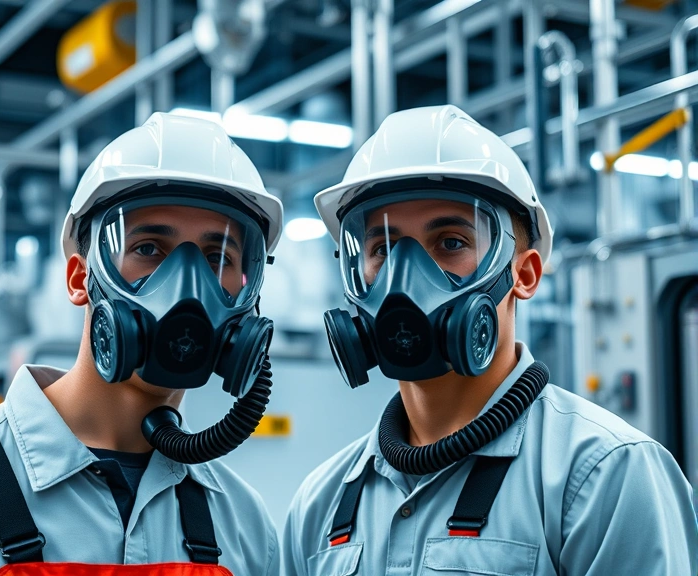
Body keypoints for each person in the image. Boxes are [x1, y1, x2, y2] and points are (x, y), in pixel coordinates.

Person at [0, 113, 283, 576]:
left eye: (216, 257)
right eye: (149, 249)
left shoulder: (242, 525)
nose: (189, 287)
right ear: (81, 278)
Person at [283, 105, 698, 575]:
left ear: (523, 274)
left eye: (451, 243)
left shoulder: (606, 477)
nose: (404, 278)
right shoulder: (320, 504)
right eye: (382, 248)